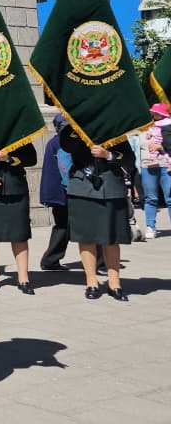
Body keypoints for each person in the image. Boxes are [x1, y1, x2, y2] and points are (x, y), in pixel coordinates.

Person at [58, 119, 136, 301]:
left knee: (111, 237)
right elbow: (67, 145)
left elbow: (129, 159)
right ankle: (91, 281)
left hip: (110, 187)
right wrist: (78, 126)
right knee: (86, 237)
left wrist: (107, 154)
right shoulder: (71, 129)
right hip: (83, 187)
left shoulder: (114, 127)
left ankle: (114, 282)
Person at [0, 141, 38, 294]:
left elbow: (31, 158)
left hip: (14, 187)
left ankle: (23, 278)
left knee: (19, 233)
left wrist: (8, 158)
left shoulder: (17, 134)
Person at [40, 115, 70, 271]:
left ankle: (50, 259)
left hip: (58, 192)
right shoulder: (62, 142)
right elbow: (66, 169)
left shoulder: (54, 141)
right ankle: (100, 262)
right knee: (88, 226)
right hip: (65, 192)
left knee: (63, 226)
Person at [139, 103, 171, 239]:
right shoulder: (142, 127)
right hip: (148, 165)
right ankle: (150, 227)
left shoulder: (168, 125)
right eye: (153, 112)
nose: (154, 114)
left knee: (170, 198)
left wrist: (160, 147)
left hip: (166, 165)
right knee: (150, 198)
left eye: (156, 112)